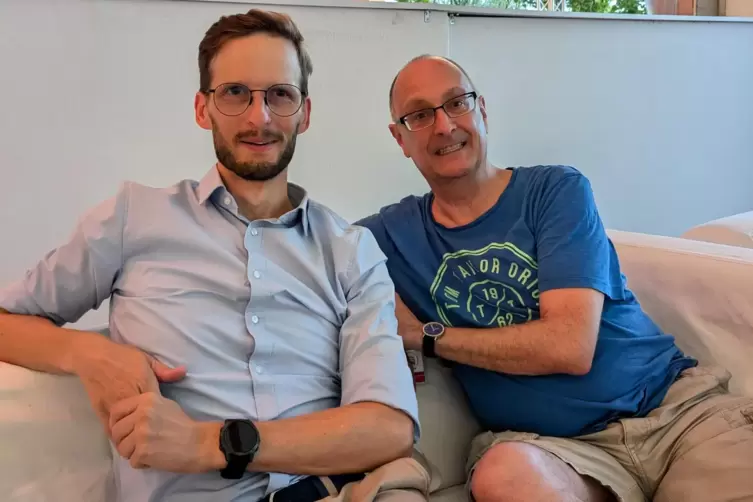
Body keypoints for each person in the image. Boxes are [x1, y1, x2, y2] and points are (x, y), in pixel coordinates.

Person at [0, 9, 428, 502]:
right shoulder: (133, 216)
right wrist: (88, 352)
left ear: (304, 114)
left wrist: (211, 442)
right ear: (203, 109)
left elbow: (389, 427)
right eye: (235, 93)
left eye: (279, 95)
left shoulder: (351, 251)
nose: (258, 117)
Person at [356, 54, 753, 502]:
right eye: (420, 115)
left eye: (456, 103)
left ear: (481, 110)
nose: (445, 126)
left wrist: (425, 335)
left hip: (677, 415)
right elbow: (297, 249)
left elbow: (570, 346)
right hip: (557, 453)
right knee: (501, 474)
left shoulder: (555, 192)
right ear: (400, 137)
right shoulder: (386, 236)